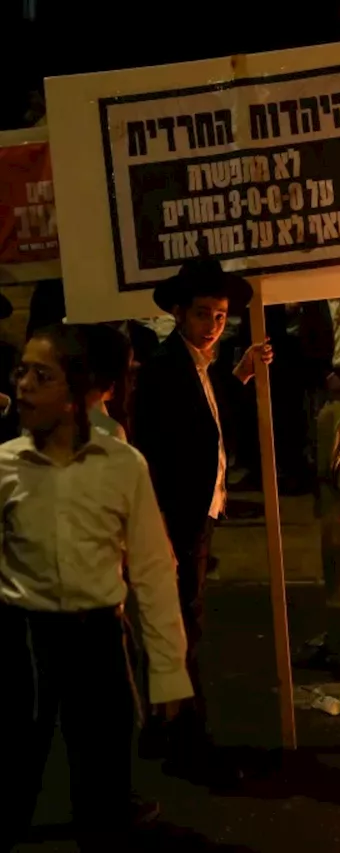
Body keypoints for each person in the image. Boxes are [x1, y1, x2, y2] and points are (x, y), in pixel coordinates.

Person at [0, 323, 192, 850]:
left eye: (42, 376)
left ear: (76, 391)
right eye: (21, 372)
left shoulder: (123, 466)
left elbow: (153, 569)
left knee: (104, 789)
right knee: (12, 780)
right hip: (23, 645)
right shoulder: (4, 466)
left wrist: (168, 669)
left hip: (98, 644)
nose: (24, 387)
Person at [132, 259, 272, 780]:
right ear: (177, 314)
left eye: (220, 315)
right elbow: (152, 453)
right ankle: (188, 743)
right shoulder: (166, 371)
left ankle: (162, 733)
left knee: (180, 626)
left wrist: (239, 374)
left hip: (199, 513)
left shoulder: (200, 366)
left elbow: (210, 424)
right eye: (203, 314)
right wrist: (161, 531)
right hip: (176, 520)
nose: (213, 324)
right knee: (180, 632)